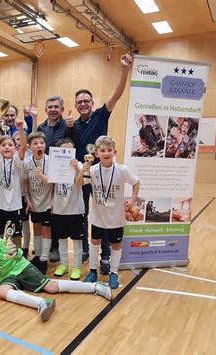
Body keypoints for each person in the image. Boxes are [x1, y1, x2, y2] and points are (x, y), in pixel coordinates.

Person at [0, 213, 112, 322]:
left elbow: (17, 253)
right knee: (2, 292)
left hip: (20, 267)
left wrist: (16, 250)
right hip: (6, 278)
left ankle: (95, 287)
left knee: (52, 287)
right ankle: (41, 303)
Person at [73, 53, 134, 269]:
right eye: (79, 102)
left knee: (106, 214)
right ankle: (87, 251)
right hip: (84, 174)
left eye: (86, 101)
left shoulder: (100, 115)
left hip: (102, 174)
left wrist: (124, 70)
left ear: (92, 103)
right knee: (84, 214)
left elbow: (116, 95)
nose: (83, 104)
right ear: (76, 104)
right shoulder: (73, 125)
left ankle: (106, 256)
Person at [80, 136, 140, 289]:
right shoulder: (92, 170)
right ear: (96, 153)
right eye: (102, 150)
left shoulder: (122, 170)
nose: (106, 153)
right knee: (94, 243)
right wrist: (82, 171)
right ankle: (93, 271)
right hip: (98, 216)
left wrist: (132, 199)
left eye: (109, 150)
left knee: (116, 244)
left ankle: (113, 273)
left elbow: (136, 182)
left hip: (116, 217)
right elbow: (79, 183)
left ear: (114, 152)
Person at [37, 96, 76, 261]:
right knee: (49, 211)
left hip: (64, 174)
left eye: (56, 107)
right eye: (49, 107)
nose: (53, 109)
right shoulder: (41, 127)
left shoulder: (66, 125)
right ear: (45, 110)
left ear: (61, 109)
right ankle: (52, 247)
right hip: (47, 174)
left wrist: (71, 127)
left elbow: (73, 142)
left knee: (62, 212)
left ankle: (66, 249)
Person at [50, 138, 85, 280]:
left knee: (77, 239)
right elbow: (51, 185)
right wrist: (51, 202)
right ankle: (64, 264)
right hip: (59, 209)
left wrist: (77, 169)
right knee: (61, 238)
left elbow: (80, 182)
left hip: (75, 209)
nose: (67, 153)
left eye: (70, 150)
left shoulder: (80, 165)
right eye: (64, 150)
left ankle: (77, 266)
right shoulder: (54, 165)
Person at [0, 119, 27, 248]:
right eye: (3, 145)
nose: (6, 147)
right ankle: (0, 257)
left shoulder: (17, 160)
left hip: (15, 205)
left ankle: (18, 257)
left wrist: (20, 130)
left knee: (16, 235)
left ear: (15, 148)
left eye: (10, 145)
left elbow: (23, 146)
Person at [23, 132, 53, 275]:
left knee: (46, 228)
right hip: (34, 202)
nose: (39, 145)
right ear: (29, 147)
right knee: (36, 227)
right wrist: (27, 197)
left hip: (48, 201)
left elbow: (55, 182)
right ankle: (38, 255)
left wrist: (42, 176)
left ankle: (44, 258)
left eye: (41, 142)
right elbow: (25, 180)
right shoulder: (27, 163)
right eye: (35, 143)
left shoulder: (51, 161)